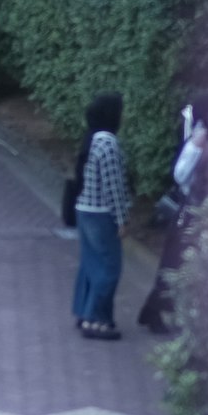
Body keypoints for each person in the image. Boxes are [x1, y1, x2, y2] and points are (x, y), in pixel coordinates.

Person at [137, 96, 208, 334]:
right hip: (190, 210)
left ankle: (159, 312)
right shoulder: (199, 141)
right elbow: (181, 175)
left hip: (198, 211)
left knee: (180, 264)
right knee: (176, 263)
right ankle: (156, 312)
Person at [69, 91, 128, 338]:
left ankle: (84, 313)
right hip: (102, 213)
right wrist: (122, 219)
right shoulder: (108, 143)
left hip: (83, 209)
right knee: (110, 267)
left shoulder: (91, 139)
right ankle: (98, 320)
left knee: (90, 264)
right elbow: (113, 185)